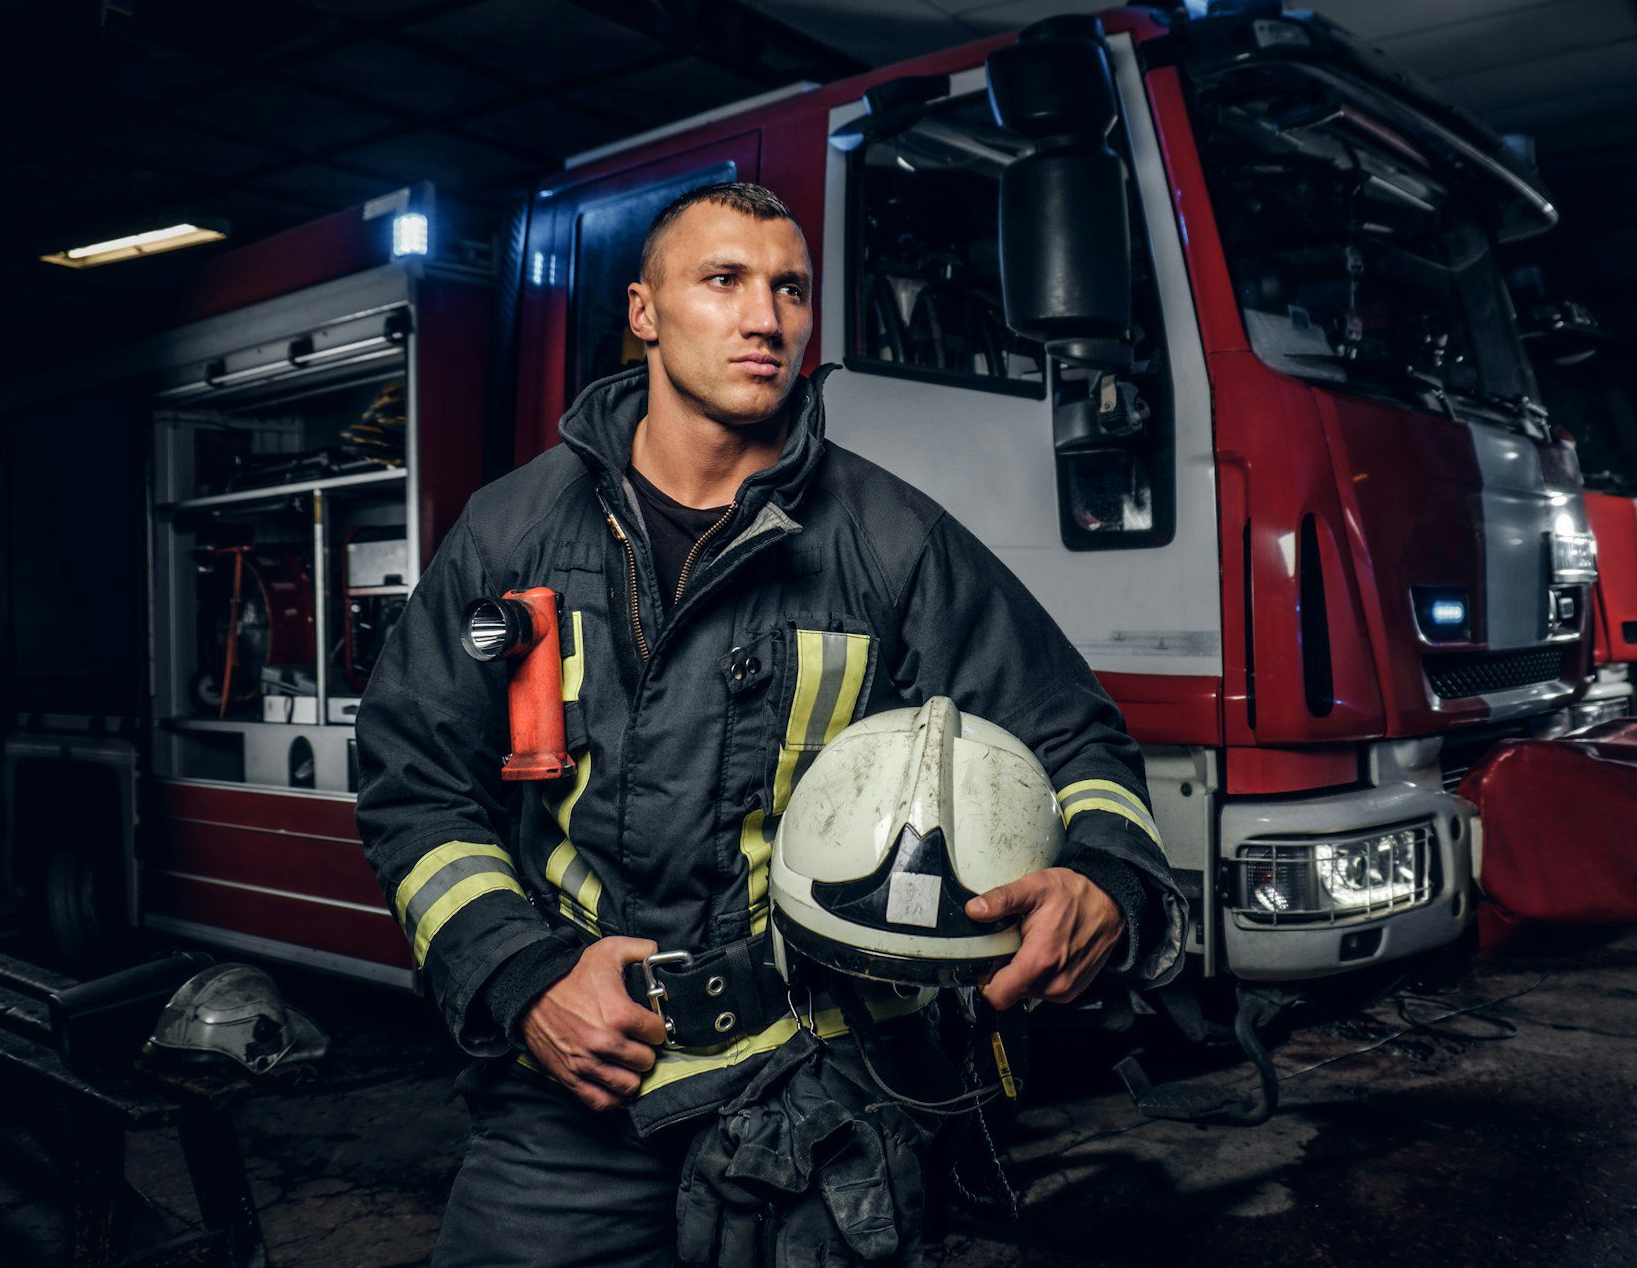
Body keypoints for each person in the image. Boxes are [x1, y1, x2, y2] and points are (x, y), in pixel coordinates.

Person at [354, 181, 1185, 1266]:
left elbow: (1072, 736)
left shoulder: (894, 543)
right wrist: (520, 976)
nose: (765, 317)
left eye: (788, 287)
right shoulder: (509, 532)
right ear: (645, 312)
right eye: (723, 280)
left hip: (821, 1084)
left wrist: (1104, 882)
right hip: (576, 1091)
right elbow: (413, 779)